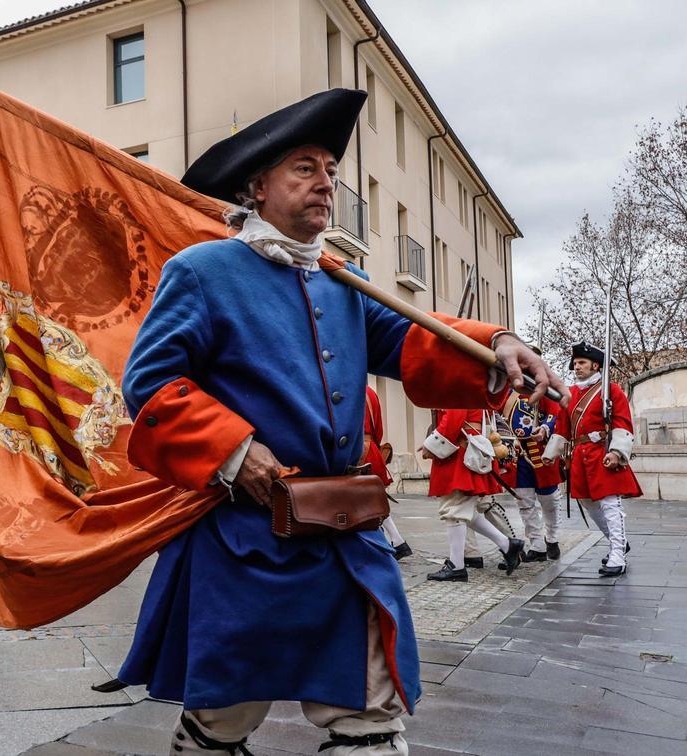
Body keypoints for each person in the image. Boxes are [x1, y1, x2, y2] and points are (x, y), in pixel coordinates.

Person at [117, 88, 564, 755]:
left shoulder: (342, 280)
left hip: (346, 539)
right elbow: (149, 384)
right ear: (257, 186)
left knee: (370, 719)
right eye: (305, 167)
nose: (326, 182)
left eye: (330, 169)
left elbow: (416, 338)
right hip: (246, 537)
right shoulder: (202, 270)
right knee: (222, 724)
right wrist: (236, 451)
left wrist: (497, 342)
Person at [543, 341, 641, 576]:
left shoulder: (611, 390)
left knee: (610, 504)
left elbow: (622, 422)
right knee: (588, 503)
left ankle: (617, 555)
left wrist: (616, 452)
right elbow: (562, 427)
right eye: (575, 363)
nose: (577, 367)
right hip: (580, 456)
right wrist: (551, 453)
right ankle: (618, 542)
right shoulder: (570, 393)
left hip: (602, 452)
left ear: (596, 365)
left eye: (582, 363)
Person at [422, 409, 525, 582]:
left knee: (454, 509)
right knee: (465, 512)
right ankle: (507, 545)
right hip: (464, 446)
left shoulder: (458, 383)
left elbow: (454, 417)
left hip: (459, 451)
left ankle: (457, 566)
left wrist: (431, 444)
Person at [500, 386, 563, 562]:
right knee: (524, 502)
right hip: (517, 454)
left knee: (549, 500)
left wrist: (544, 428)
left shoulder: (542, 389)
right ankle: (537, 544)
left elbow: (554, 412)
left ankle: (552, 538)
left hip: (542, 452)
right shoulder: (505, 392)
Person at [363, 386, 409, 560]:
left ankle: (388, 543)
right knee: (373, 500)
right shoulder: (371, 393)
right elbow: (378, 428)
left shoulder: (347, 389)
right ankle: (397, 542)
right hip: (372, 449)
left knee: (362, 500)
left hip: (357, 451)